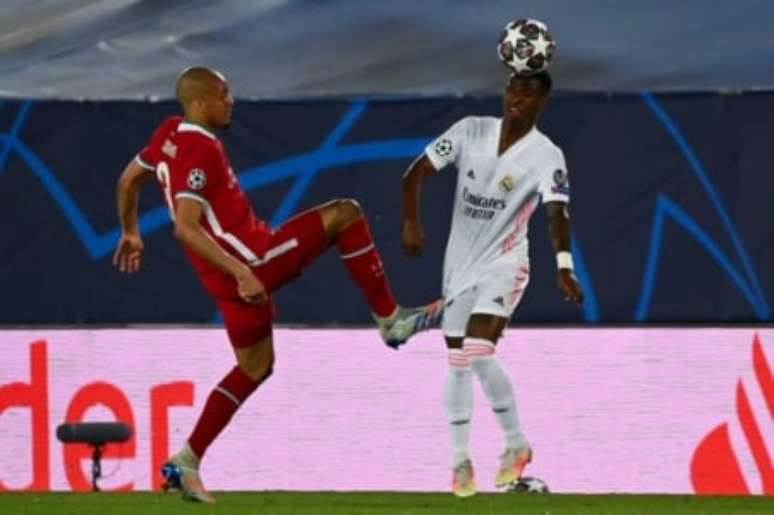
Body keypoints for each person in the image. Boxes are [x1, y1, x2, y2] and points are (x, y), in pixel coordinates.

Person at [113, 66, 441, 503]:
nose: (230, 100)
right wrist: (244, 271)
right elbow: (185, 229)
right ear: (199, 102)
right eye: (222, 94)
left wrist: (130, 230)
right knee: (347, 213)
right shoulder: (200, 149)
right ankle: (391, 320)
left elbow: (127, 179)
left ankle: (186, 460)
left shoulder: (169, 133)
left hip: (218, 279)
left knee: (255, 366)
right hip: (249, 260)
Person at [400, 70, 583, 497]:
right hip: (459, 266)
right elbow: (416, 172)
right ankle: (460, 463)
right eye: (513, 88)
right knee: (457, 362)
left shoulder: (547, 155)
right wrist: (411, 221)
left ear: (543, 103)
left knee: (479, 351)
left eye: (529, 92)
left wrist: (563, 264)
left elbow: (558, 212)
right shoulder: (470, 130)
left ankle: (516, 445)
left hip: (506, 263)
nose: (518, 96)